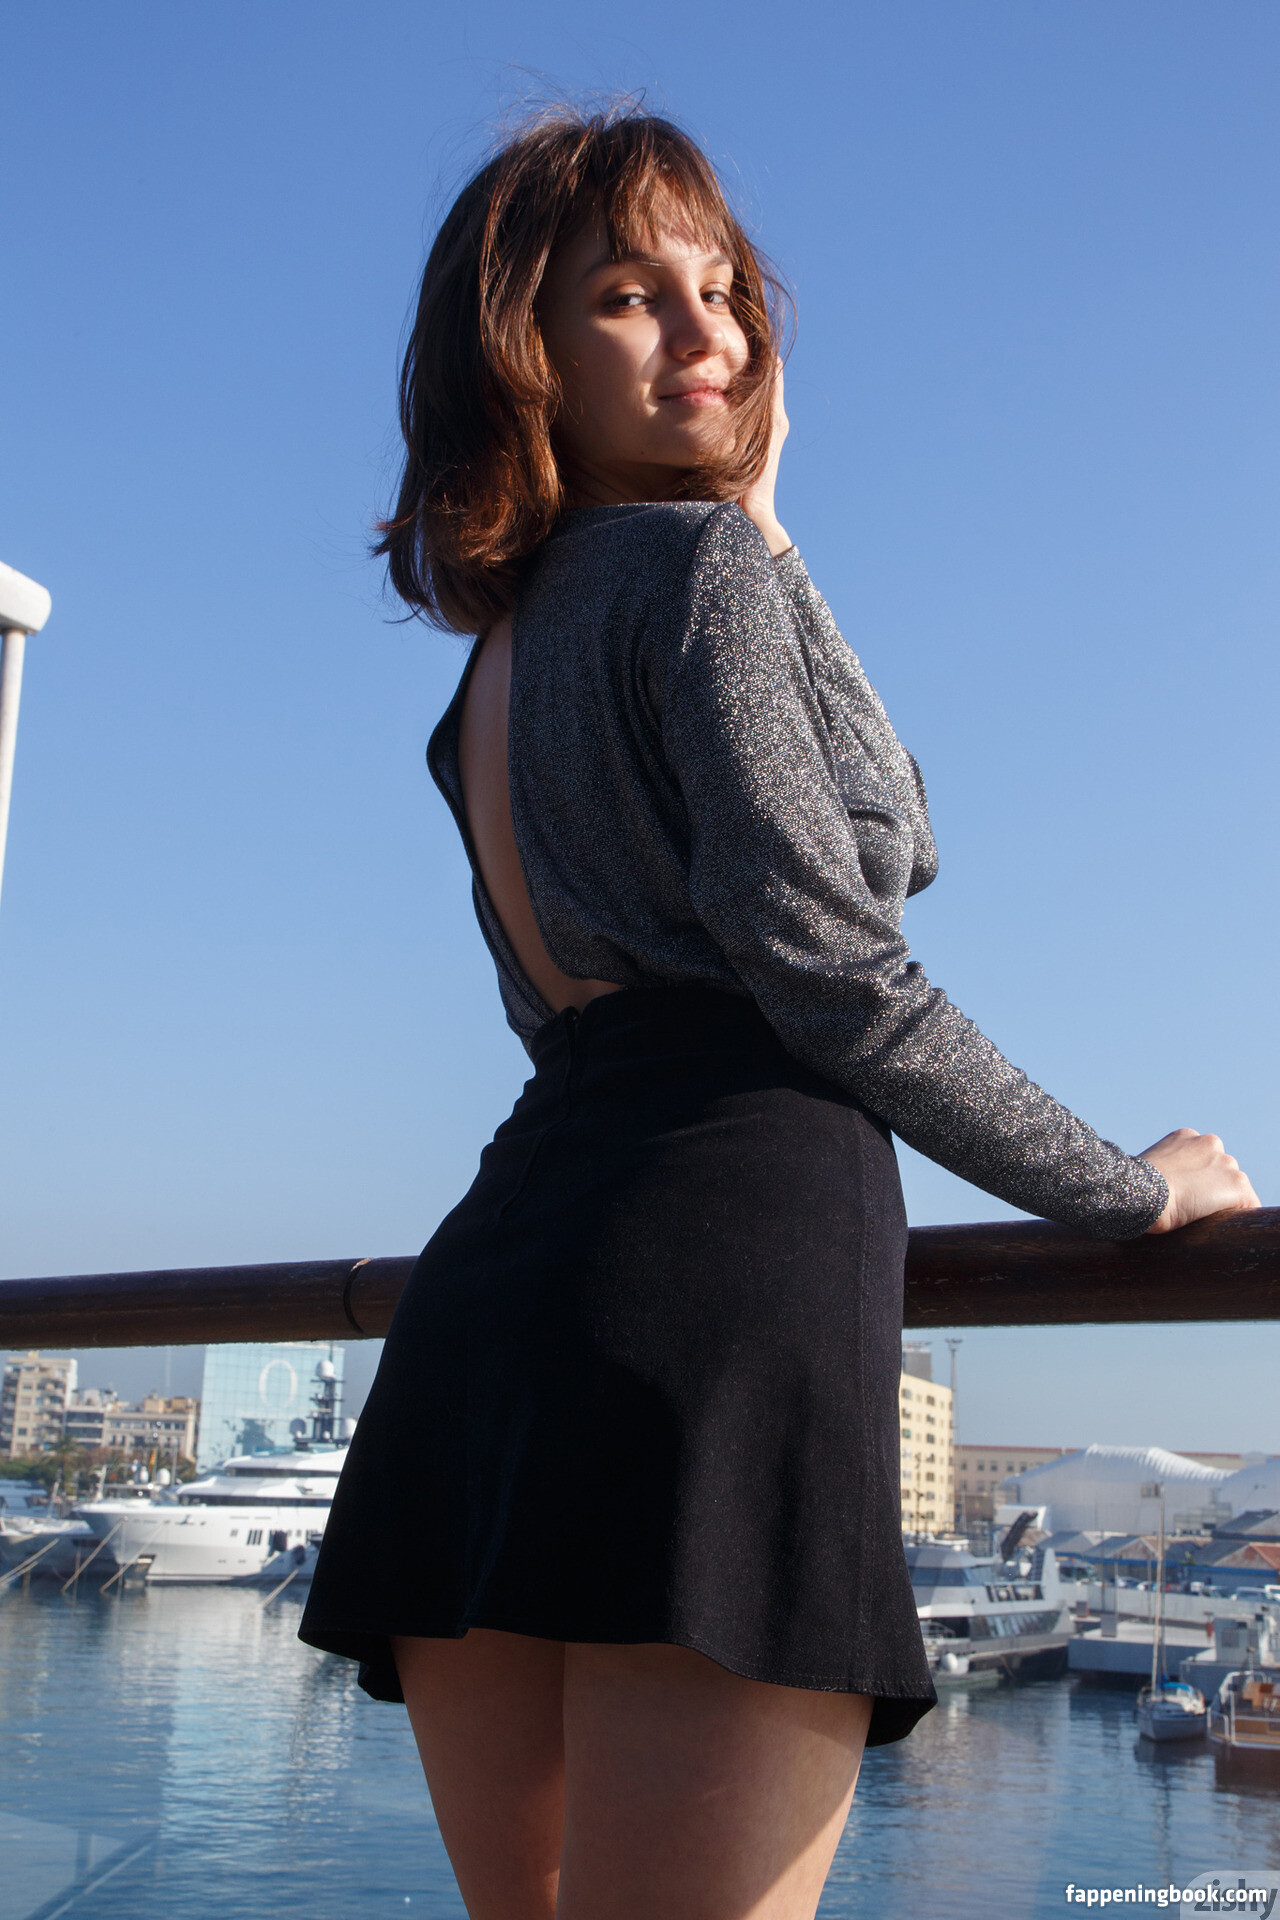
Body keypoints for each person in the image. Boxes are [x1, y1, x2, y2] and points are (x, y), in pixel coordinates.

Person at [298, 106, 1258, 1920]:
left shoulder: (492, 670)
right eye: (629, 296)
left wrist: (759, 521)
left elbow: (613, 981)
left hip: (501, 1291)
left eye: (724, 288)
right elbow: (850, 932)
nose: (711, 332)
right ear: (521, 352)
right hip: (715, 1277)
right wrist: (1130, 1191)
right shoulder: (692, 573)